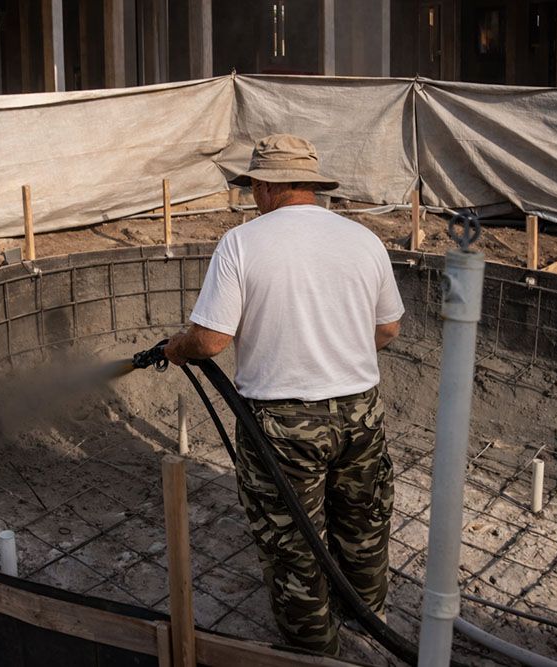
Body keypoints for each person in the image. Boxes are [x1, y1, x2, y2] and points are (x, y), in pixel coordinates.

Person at [163, 134, 404, 656]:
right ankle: (370, 623)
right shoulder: (363, 239)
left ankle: (315, 649)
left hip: (280, 422)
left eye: (253, 184)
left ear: (269, 185)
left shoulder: (242, 243)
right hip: (360, 410)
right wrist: (334, 353)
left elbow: (210, 340)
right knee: (363, 521)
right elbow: (388, 328)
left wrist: (178, 347)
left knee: (293, 542)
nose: (252, 194)